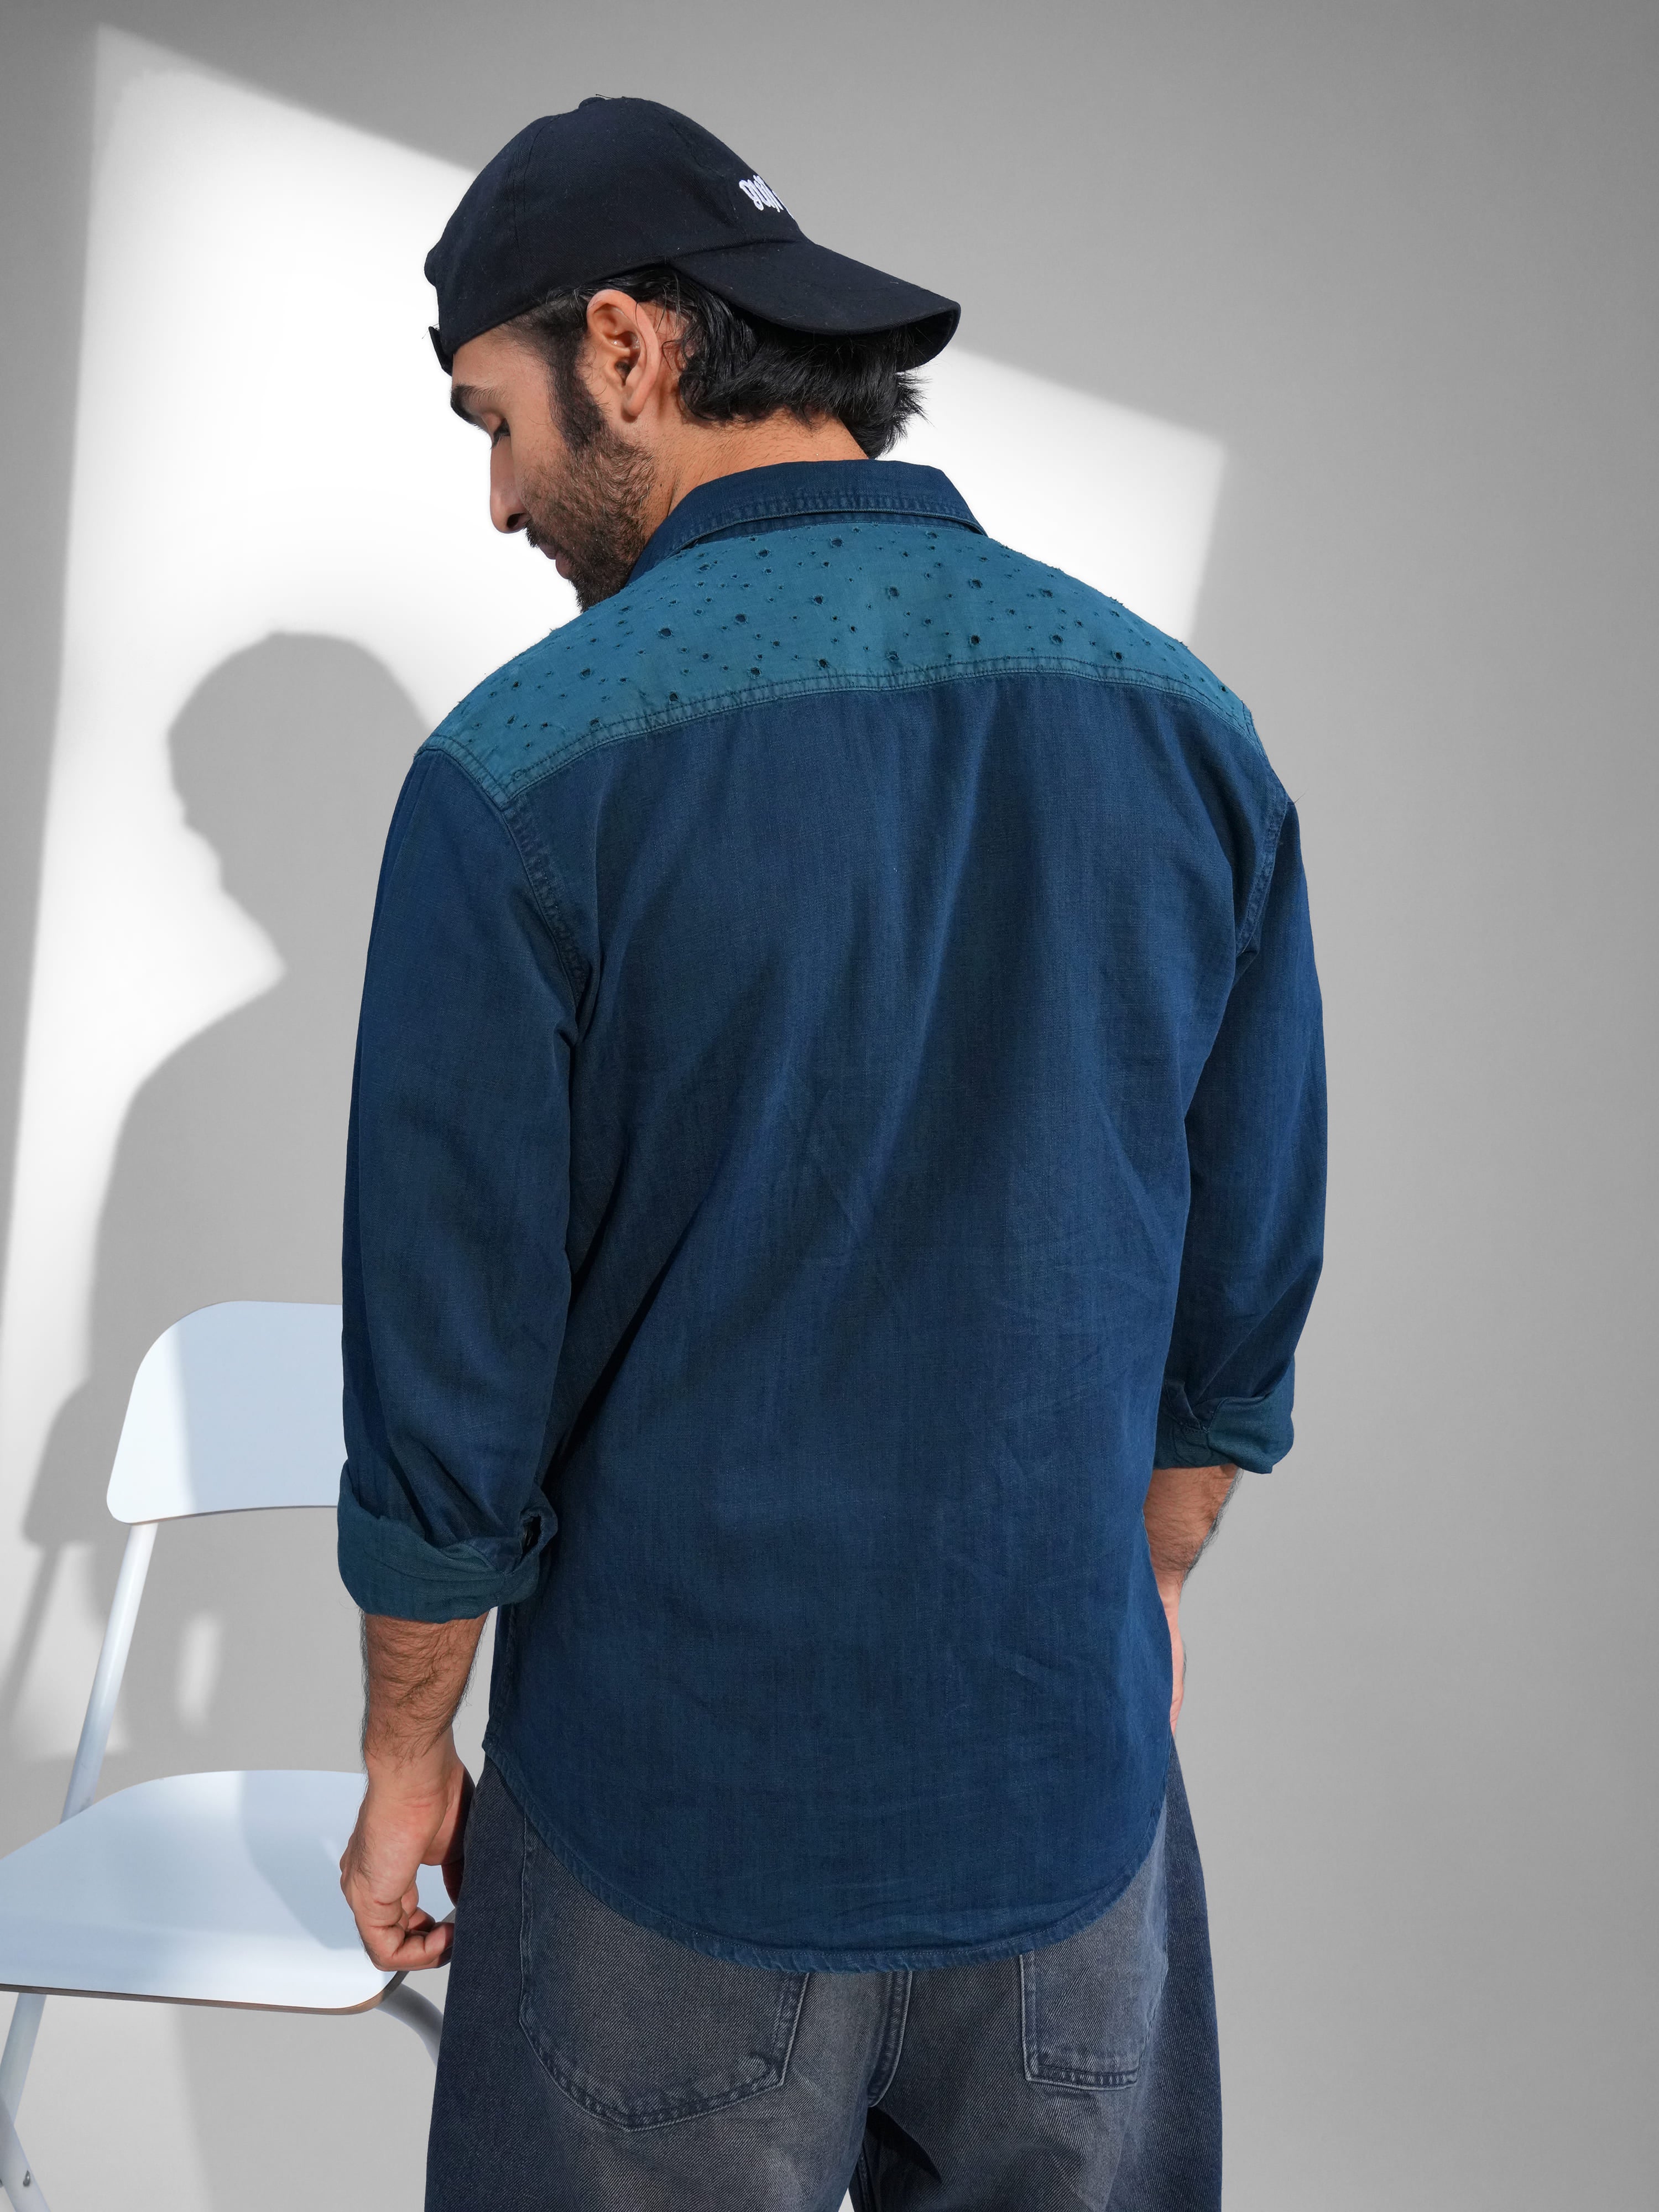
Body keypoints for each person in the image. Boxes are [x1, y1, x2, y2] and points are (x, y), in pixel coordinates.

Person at [335, 96, 1324, 2212]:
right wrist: (1137, 1597)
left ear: (625, 347)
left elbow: (449, 1362)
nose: (500, 502)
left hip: (670, 1848)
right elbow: (1243, 1295)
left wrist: (409, 1749)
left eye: (492, 421)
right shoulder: (1186, 724)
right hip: (1069, 1821)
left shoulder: (517, 779)